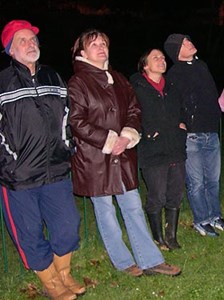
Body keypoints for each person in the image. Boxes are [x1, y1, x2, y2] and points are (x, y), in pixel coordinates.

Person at [68, 29, 181, 277]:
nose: (101, 47)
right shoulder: (78, 82)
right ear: (83, 52)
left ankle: (150, 260)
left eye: (104, 43)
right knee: (106, 211)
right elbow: (78, 121)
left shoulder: (118, 78)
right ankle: (122, 261)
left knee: (132, 207)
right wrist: (109, 140)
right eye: (94, 44)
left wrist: (127, 135)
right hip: (96, 158)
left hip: (123, 154)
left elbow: (134, 109)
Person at [0, 20, 84, 300]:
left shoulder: (53, 77)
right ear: (10, 50)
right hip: (18, 177)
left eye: (33, 38)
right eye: (22, 40)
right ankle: (50, 282)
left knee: (68, 225)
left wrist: (67, 146)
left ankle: (63, 273)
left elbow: (66, 118)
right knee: (29, 233)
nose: (31, 43)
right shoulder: (3, 81)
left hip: (56, 171)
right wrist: (9, 162)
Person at [163, 33, 224, 237]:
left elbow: (210, 94)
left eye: (189, 40)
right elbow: (172, 102)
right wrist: (181, 122)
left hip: (211, 131)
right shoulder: (175, 73)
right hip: (192, 135)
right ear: (176, 51)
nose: (190, 43)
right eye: (184, 43)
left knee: (213, 179)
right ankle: (201, 220)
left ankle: (215, 215)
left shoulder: (202, 66)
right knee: (197, 181)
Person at [129, 48, 187, 250]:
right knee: (157, 195)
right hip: (153, 149)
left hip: (175, 147)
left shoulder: (172, 86)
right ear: (145, 65)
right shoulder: (136, 87)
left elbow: (183, 108)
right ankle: (157, 238)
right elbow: (131, 113)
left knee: (176, 192)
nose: (162, 60)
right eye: (156, 58)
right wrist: (145, 131)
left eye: (163, 58)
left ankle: (171, 236)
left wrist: (183, 123)